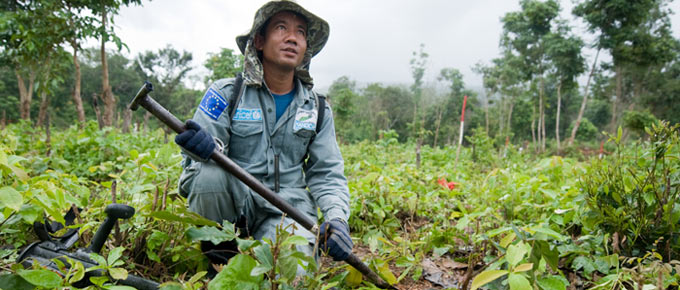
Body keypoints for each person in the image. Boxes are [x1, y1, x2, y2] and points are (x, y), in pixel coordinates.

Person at [174, 0, 352, 274]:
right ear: (258, 41)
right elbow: (200, 151)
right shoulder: (226, 93)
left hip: (287, 209)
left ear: (306, 50)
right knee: (209, 173)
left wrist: (337, 218)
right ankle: (218, 262)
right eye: (281, 28)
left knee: (293, 271)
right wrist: (200, 147)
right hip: (234, 201)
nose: (292, 38)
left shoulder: (317, 108)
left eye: (301, 32)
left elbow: (327, 172)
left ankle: (268, 257)